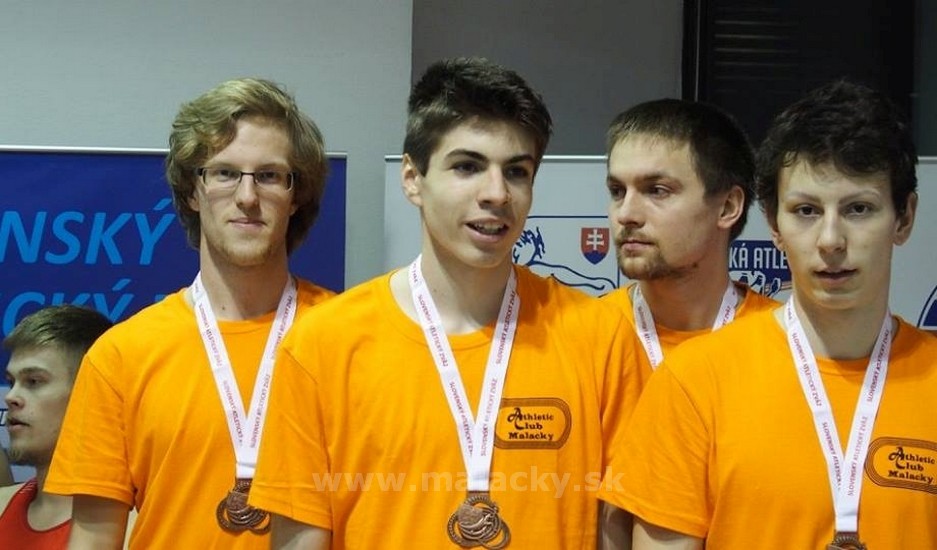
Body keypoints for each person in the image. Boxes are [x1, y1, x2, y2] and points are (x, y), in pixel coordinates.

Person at [248, 57, 650, 549]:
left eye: (516, 172)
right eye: (467, 166)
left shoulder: (601, 337)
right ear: (412, 179)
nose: (496, 194)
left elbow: (619, 530)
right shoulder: (323, 345)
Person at [599, 80, 937, 549]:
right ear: (775, 225)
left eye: (859, 209)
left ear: (904, 218)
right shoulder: (695, 378)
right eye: (806, 211)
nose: (831, 240)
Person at [44, 78, 336, 549]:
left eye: (268, 175)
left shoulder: (348, 339)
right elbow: (93, 540)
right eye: (224, 173)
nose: (247, 196)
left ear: (296, 195)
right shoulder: (121, 356)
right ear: (192, 193)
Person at [602, 99, 777, 369]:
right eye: (617, 191)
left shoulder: (785, 342)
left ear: (727, 207)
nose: (626, 214)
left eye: (657, 191)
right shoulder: (582, 336)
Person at [0, 305, 112, 548]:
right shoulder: (2, 507)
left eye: (33, 381)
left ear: (89, 392)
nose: (11, 397)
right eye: (11, 381)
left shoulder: (139, 528)